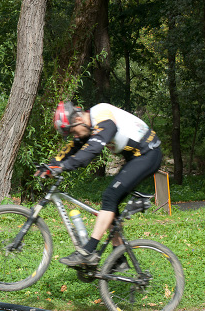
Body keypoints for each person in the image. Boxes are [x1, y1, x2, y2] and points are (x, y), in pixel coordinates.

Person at [39, 101, 162, 267]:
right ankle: (119, 260)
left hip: (148, 154)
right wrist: (51, 165)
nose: (75, 135)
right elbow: (73, 147)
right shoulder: (88, 125)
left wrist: (63, 167)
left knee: (110, 196)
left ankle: (88, 251)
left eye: (73, 131)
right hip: (137, 156)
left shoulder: (102, 116)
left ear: (78, 119)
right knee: (112, 203)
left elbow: (92, 150)